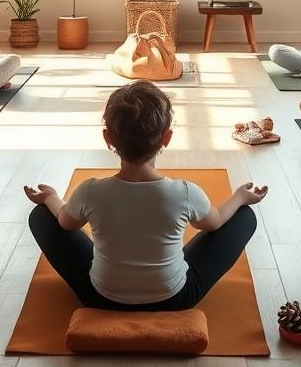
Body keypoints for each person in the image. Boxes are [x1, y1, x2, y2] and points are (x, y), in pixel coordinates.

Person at [24, 81, 268, 310]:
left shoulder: (90, 191)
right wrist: (240, 196)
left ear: (108, 138)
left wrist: (49, 198)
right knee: (244, 217)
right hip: (175, 299)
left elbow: (65, 222)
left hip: (99, 298)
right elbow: (215, 221)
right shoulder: (185, 192)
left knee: (40, 216)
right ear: (166, 138)